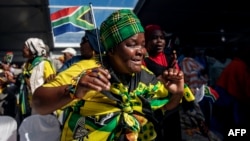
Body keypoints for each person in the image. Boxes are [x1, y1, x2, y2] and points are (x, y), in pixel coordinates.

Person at [32, 9, 189, 141]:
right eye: (132, 44)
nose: (141, 51)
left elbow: (165, 106)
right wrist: (75, 90)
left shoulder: (145, 77)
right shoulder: (88, 71)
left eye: (142, 44)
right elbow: (38, 102)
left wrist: (178, 93)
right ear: (112, 49)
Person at [143, 24, 182, 140]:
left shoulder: (170, 59)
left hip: (172, 107)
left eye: (162, 38)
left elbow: (179, 79)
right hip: (153, 109)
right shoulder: (142, 61)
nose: (159, 41)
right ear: (147, 41)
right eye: (154, 38)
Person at [15, 38, 56, 120]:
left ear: (32, 49)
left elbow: (53, 86)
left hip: (41, 106)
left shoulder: (44, 64)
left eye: (24, 47)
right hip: (27, 105)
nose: (22, 49)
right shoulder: (27, 65)